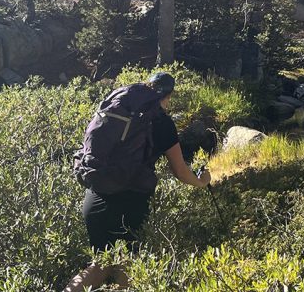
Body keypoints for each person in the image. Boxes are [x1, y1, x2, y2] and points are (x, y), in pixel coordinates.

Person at [63, 71, 211, 292]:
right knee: (126, 268)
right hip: (129, 202)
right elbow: (180, 171)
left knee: (100, 266)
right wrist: (201, 182)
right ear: (167, 96)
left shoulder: (117, 109)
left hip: (95, 196)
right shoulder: (161, 123)